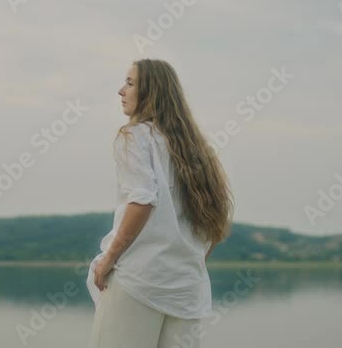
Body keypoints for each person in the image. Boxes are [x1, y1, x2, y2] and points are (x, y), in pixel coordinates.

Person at [87, 59, 235, 348]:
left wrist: (109, 258)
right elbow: (216, 217)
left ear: (151, 92)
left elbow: (142, 200)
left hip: (138, 280)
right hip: (186, 287)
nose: (121, 90)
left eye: (130, 83)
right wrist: (192, 259)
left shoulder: (134, 136)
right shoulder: (195, 149)